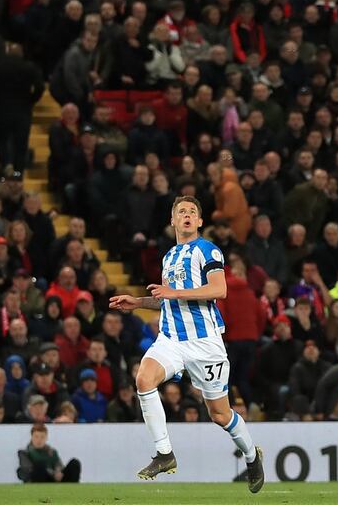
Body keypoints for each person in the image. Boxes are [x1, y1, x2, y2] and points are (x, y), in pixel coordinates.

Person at [108, 196, 263, 492]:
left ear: (200, 221)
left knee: (219, 414)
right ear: (173, 221)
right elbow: (167, 301)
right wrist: (138, 302)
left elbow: (220, 289)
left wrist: (173, 293)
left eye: (193, 212)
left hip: (205, 343)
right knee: (143, 379)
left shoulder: (208, 250)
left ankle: (251, 454)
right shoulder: (169, 257)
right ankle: (164, 454)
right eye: (182, 212)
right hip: (171, 339)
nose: (188, 215)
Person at [17, 423, 81, 483]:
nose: (39, 440)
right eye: (36, 437)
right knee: (39, 466)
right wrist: (53, 473)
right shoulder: (25, 453)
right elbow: (29, 469)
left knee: (74, 463)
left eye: (42, 437)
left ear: (46, 438)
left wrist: (58, 472)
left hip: (55, 479)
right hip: (40, 481)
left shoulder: (52, 452)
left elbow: (59, 464)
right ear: (32, 437)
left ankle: (72, 489)